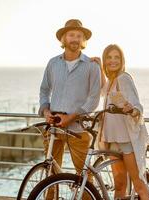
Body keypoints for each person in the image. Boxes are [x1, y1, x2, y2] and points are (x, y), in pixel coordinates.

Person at [39, 19, 101, 198]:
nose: (75, 38)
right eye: (71, 35)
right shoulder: (52, 63)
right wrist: (45, 111)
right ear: (64, 39)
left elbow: (93, 99)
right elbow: (44, 90)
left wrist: (72, 117)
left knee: (85, 177)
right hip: (54, 127)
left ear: (83, 40)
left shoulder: (92, 65)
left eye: (79, 36)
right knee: (50, 173)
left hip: (78, 128)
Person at [99, 44, 149, 200]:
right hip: (113, 141)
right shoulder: (111, 82)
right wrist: (97, 67)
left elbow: (138, 107)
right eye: (109, 57)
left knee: (139, 186)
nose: (113, 61)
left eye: (117, 57)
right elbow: (103, 92)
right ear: (105, 60)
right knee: (120, 186)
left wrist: (132, 109)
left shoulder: (124, 78)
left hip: (127, 140)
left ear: (122, 60)